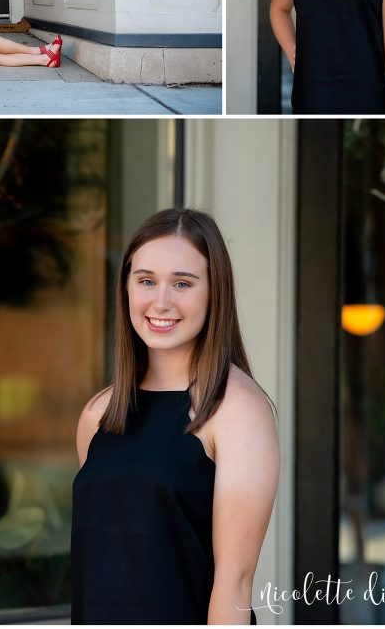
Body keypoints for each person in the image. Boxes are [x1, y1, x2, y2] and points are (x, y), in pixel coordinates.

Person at [72, 208, 278, 626]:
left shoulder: (237, 411)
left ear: (213, 293)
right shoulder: (99, 414)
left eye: (182, 284)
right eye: (146, 280)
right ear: (126, 287)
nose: (160, 301)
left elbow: (233, 584)